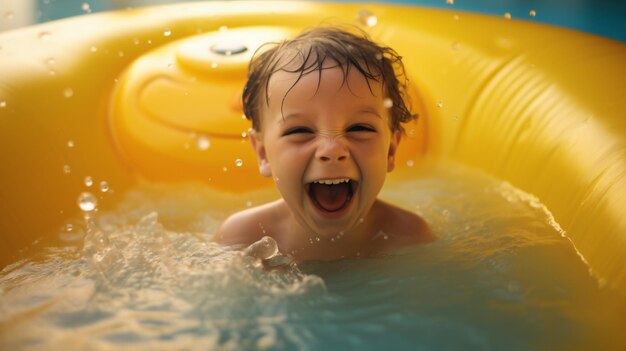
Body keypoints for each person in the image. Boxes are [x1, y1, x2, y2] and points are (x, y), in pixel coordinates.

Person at [213, 26, 433, 261]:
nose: (332, 149)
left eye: (359, 128)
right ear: (263, 154)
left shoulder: (410, 236)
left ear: (391, 150)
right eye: (300, 130)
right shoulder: (243, 237)